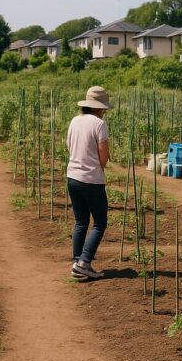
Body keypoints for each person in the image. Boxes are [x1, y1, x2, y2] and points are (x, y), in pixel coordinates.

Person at [66, 85, 110, 280]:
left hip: (72, 177)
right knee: (100, 223)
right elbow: (104, 155)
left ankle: (77, 262)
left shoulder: (75, 120)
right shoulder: (99, 124)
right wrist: (97, 168)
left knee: (81, 221)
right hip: (91, 180)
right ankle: (84, 262)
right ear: (99, 107)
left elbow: (69, 145)